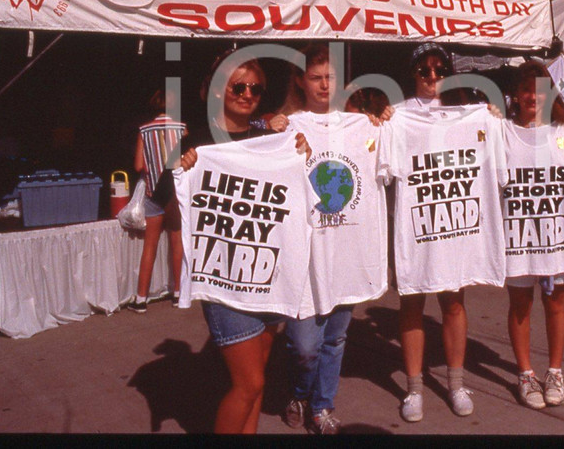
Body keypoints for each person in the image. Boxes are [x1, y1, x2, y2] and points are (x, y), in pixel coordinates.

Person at [178, 50, 303, 434]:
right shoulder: (196, 144)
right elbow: (175, 206)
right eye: (239, 86)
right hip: (223, 281)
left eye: (256, 88)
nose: (248, 94)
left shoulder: (269, 139)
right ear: (218, 90)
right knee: (249, 383)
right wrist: (183, 168)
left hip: (266, 274)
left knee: (257, 380)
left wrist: (299, 154)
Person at [268, 43, 387, 435]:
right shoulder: (288, 125)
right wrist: (268, 129)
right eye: (316, 77)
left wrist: (384, 119)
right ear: (301, 81)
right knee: (304, 346)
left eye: (329, 77)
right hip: (304, 254)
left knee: (335, 339)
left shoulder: (359, 125)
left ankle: (321, 407)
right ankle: (299, 392)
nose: (323, 84)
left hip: (346, 252)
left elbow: (391, 143)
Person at [385, 42, 494, 422]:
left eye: (439, 69)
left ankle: (456, 383)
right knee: (412, 301)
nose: (432, 77)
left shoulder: (466, 112)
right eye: (424, 70)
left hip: (454, 224)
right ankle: (414, 388)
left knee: (454, 301)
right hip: (417, 225)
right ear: (412, 73)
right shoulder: (397, 116)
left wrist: (491, 117)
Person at [501, 61, 564, 410]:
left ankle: (554, 371)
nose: (532, 96)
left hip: (556, 234)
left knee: (555, 303)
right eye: (525, 88)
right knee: (520, 305)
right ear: (516, 93)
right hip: (519, 236)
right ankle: (525, 373)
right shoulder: (504, 131)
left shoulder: (563, 131)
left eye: (539, 88)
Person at [128, 89, 187, 313]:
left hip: (153, 193)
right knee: (177, 243)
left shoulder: (144, 130)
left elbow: (137, 166)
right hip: (174, 193)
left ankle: (141, 298)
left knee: (149, 247)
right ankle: (178, 293)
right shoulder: (182, 128)